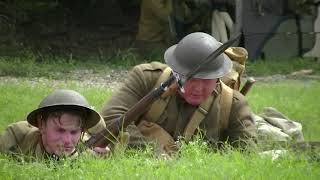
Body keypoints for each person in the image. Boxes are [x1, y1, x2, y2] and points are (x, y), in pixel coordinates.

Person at [101, 32, 256, 154]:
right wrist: (153, 153)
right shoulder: (147, 78)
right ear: (176, 71)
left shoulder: (233, 103)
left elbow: (246, 154)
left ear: (218, 77)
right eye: (192, 79)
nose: (198, 88)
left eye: (206, 80)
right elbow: (111, 117)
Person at [0, 89, 107, 159]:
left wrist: (101, 155)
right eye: (60, 130)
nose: (67, 140)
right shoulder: (16, 135)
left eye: (74, 132)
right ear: (41, 125)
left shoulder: (84, 148)